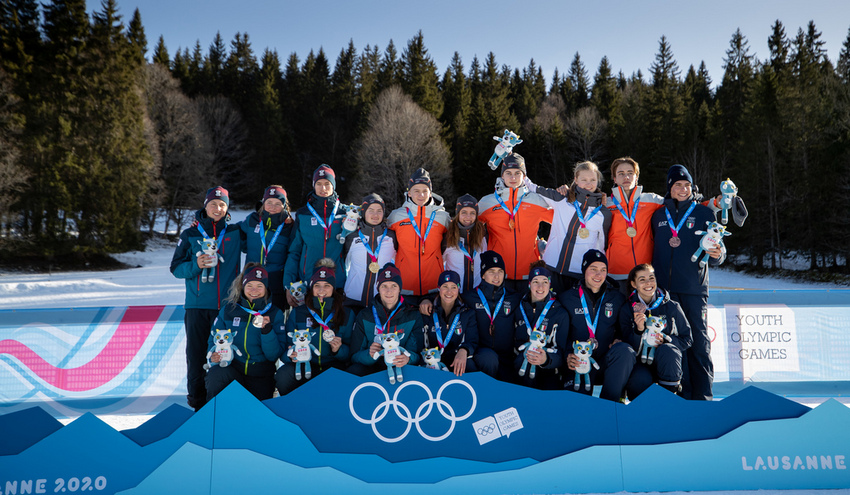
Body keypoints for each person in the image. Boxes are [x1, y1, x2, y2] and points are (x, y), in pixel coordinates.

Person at [651, 164, 724, 401]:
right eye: (677, 185)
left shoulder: (704, 213)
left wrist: (718, 254)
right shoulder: (658, 214)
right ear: (669, 188)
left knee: (699, 345)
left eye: (687, 185)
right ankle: (679, 396)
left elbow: (719, 249)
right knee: (673, 345)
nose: (682, 189)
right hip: (665, 293)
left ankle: (704, 398)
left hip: (693, 290)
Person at [170, 186, 244, 411]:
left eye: (223, 205)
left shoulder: (234, 232)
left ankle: (226, 404)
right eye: (214, 204)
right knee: (197, 356)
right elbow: (176, 268)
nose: (218, 208)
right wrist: (196, 265)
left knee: (228, 356)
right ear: (205, 205)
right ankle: (197, 404)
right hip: (197, 306)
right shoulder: (190, 234)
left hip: (227, 308)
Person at [605, 157, 719, 295]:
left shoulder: (651, 200)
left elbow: (681, 205)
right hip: (615, 271)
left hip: (644, 274)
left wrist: (713, 204)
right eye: (621, 173)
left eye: (630, 172)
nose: (626, 177)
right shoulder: (606, 203)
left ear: (637, 177)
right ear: (614, 178)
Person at [525, 161, 611, 294]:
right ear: (576, 180)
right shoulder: (561, 199)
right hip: (551, 268)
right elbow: (533, 187)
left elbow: (601, 247)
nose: (589, 184)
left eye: (593, 180)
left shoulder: (603, 213)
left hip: (579, 273)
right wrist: (516, 165)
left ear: (598, 181)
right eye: (584, 179)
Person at [205, 264, 285, 402]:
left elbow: (273, 356)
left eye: (260, 286)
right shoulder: (229, 310)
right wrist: (213, 355)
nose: (254, 290)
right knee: (216, 374)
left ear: (266, 288)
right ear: (242, 286)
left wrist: (267, 331)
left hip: (260, 374)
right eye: (250, 285)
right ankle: (215, 418)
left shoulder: (275, 313)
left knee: (256, 416)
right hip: (233, 370)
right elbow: (214, 338)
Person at [560, 249, 632, 401]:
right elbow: (560, 335)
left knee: (625, 350)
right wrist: (568, 355)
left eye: (603, 270)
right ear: (584, 270)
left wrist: (619, 339)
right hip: (578, 362)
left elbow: (624, 328)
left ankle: (610, 406)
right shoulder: (567, 298)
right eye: (593, 269)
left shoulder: (617, 298)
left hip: (605, 362)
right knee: (577, 407)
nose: (598, 275)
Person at [275, 259, 354, 395]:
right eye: (317, 285)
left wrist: (338, 350)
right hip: (304, 365)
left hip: (332, 365)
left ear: (333, 288)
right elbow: (284, 350)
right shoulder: (298, 312)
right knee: (283, 375)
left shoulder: (346, 313)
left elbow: (350, 352)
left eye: (327, 286)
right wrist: (291, 355)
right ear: (311, 288)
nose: (321, 290)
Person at [478, 153, 552, 293]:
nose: (513, 178)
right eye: (509, 173)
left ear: (524, 176)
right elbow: (467, 224)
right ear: (502, 176)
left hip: (529, 272)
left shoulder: (536, 200)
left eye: (517, 173)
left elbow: (562, 219)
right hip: (498, 274)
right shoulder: (487, 202)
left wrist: (568, 196)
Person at [619, 263, 692, 398]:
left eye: (651, 278)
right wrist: (639, 331)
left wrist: (666, 340)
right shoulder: (627, 309)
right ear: (634, 284)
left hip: (665, 361)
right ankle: (641, 411)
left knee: (669, 350)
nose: (648, 283)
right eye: (642, 279)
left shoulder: (671, 306)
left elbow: (687, 339)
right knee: (639, 381)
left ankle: (670, 399)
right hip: (641, 362)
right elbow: (626, 348)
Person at [284, 164, 347, 306]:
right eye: (319, 184)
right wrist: (288, 284)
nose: (323, 188)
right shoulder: (303, 214)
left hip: (337, 283)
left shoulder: (344, 213)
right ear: (314, 185)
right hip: (307, 283)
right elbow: (294, 252)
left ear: (334, 186)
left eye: (327, 183)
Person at [348, 263, 425, 376]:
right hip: (373, 369)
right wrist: (369, 355)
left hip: (401, 369)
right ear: (378, 288)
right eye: (384, 286)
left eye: (394, 286)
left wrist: (408, 359)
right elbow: (354, 356)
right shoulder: (365, 315)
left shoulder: (412, 315)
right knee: (354, 371)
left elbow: (417, 354)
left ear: (400, 289)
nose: (389, 291)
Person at [387, 168, 450, 304]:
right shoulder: (396, 216)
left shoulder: (442, 216)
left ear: (430, 192)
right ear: (409, 192)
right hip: (404, 285)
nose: (421, 194)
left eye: (425, 191)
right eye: (416, 190)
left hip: (434, 285)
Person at [461, 250, 522, 382]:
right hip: (482, 355)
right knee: (489, 359)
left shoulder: (514, 297)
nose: (496, 276)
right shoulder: (469, 297)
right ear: (483, 275)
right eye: (491, 272)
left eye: (500, 271)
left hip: (507, 357)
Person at [513, 263, 569, 390]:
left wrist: (546, 359)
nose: (540, 286)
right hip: (522, 368)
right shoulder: (519, 308)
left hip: (548, 370)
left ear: (550, 284)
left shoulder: (560, 313)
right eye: (535, 281)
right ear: (529, 284)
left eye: (544, 282)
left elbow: (562, 350)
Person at [240, 185, 294, 310]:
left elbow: (293, 254)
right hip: (251, 282)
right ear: (263, 203)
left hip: (276, 283)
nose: (272, 207)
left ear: (284, 206)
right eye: (269, 202)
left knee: (274, 322)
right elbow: (235, 234)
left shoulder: (289, 227)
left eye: (277, 203)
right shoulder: (252, 220)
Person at [342, 193, 397, 313]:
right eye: (370, 210)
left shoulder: (391, 236)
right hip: (353, 299)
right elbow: (343, 264)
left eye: (379, 211)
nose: (375, 215)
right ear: (363, 212)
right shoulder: (352, 236)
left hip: (381, 300)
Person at [418, 270, 479, 376]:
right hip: (431, 360)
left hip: (455, 359)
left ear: (458, 289)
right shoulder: (428, 310)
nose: (449, 292)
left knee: (470, 366)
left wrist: (464, 350)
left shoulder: (467, 313)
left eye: (453, 287)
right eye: (445, 286)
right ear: (438, 288)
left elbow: (472, 340)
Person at [442, 194, 488, 293]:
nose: (468, 217)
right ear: (457, 213)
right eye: (464, 212)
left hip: (477, 294)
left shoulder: (483, 235)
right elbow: (439, 264)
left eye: (472, 213)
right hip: (455, 295)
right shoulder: (447, 236)